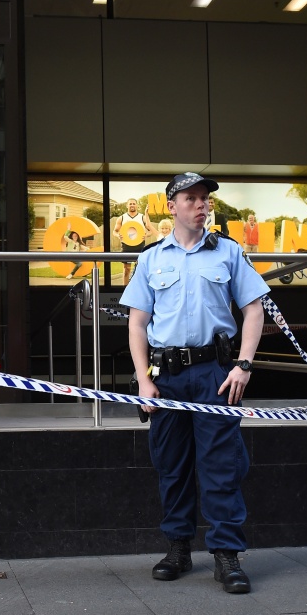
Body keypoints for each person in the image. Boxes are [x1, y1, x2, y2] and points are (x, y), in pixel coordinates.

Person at [122, 172, 270, 593]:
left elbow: (254, 309)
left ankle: (226, 554)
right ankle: (178, 548)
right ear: (170, 206)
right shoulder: (151, 258)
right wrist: (142, 381)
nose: (201, 205)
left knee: (221, 465)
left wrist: (243, 364)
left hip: (214, 373)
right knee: (172, 464)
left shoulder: (228, 252)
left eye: (205, 198)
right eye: (190, 198)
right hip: (165, 376)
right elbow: (137, 323)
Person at [114, 198, 155, 282]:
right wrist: (118, 235)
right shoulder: (121, 218)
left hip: (140, 246)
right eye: (130, 204)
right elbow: (114, 231)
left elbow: (151, 231)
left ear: (137, 206)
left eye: (133, 204)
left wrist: (146, 235)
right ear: (127, 205)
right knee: (126, 270)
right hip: (126, 246)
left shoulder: (142, 217)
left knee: (140, 271)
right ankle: (125, 291)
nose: (132, 205)